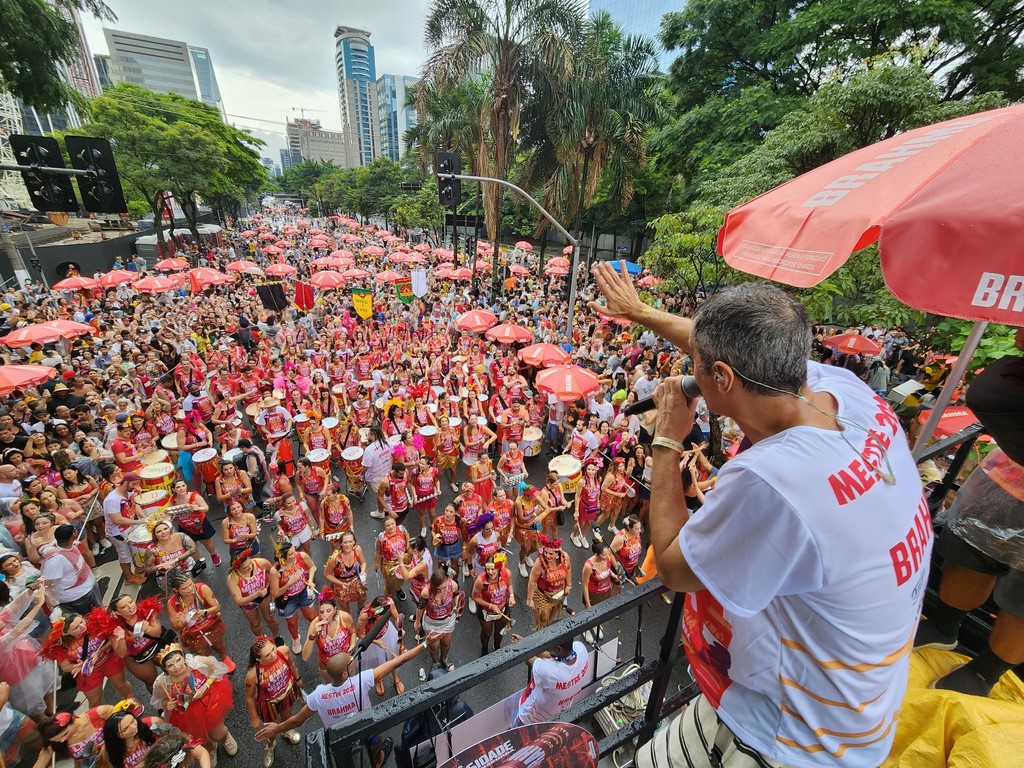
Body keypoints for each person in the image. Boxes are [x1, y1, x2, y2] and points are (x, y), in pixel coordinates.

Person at [591, 265, 926, 767]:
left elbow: (676, 568)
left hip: (795, 734)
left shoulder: (774, 480)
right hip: (864, 706)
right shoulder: (845, 390)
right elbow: (724, 354)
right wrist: (641, 313)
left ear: (722, 378)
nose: (692, 367)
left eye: (698, 365)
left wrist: (666, 439)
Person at [913, 328, 1024, 696]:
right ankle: (944, 625)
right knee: (970, 554)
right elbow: (996, 385)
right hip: (1007, 481)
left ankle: (985, 673)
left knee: (1021, 603)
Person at [254, 640, 437, 768]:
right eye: (349, 662)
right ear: (343, 674)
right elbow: (400, 660)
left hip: (339, 738)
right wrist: (424, 644)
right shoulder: (362, 680)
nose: (352, 661)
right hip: (368, 729)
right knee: (376, 742)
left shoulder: (318, 695)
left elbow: (297, 721)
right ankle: (378, 761)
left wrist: (277, 728)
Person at [150, 644, 236, 762]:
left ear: (183, 656)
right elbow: (159, 699)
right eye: (170, 665)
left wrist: (205, 686)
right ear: (165, 668)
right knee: (200, 738)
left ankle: (224, 738)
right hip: (186, 713)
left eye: (178, 660)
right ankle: (210, 749)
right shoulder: (162, 682)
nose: (176, 666)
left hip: (208, 703)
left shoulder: (196, 663)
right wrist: (166, 704)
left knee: (218, 734)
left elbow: (216, 669)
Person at [244, 635, 305, 768]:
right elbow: (249, 697)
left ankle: (285, 731)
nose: (273, 654)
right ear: (258, 659)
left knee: (287, 717)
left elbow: (291, 663)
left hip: (287, 693)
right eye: (267, 654)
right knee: (270, 730)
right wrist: (254, 717)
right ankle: (270, 745)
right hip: (269, 703)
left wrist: (298, 678)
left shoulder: (283, 651)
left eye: (273, 649)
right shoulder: (253, 675)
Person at [510, 636, 589, 727]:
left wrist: (521, 646)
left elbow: (527, 657)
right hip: (555, 718)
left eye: (550, 645)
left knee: (516, 736)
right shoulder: (581, 649)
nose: (547, 647)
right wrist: (526, 644)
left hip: (529, 719)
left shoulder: (548, 672)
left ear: (559, 648)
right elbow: (551, 656)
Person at [166, 570, 230, 663]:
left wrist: (203, 612)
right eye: (185, 588)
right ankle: (213, 667)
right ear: (176, 591)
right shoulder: (172, 603)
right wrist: (184, 621)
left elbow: (217, 607)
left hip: (210, 623)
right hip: (193, 632)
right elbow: (175, 627)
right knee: (203, 653)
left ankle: (224, 658)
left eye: (190, 584)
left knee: (219, 644)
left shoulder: (202, 588)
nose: (190, 589)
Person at [269, 541, 318, 654]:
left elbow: (311, 567)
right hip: (288, 600)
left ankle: (317, 632)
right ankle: (296, 638)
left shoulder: (301, 556)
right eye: (291, 554)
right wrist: (289, 584)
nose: (295, 554)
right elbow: (275, 593)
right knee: (292, 623)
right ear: (282, 557)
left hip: (304, 593)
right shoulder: (275, 571)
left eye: (294, 551)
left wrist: (310, 580)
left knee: (311, 616)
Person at [301, 588, 358, 682]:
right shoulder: (315, 624)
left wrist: (352, 645)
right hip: (328, 667)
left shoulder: (344, 617)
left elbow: (353, 632)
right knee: (334, 688)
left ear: (335, 609)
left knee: (350, 683)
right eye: (322, 612)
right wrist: (313, 635)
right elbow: (305, 657)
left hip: (346, 661)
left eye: (328, 611)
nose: (325, 615)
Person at [226, 547, 280, 638]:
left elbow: (273, 573)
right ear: (237, 569)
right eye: (245, 567)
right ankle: (262, 638)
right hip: (248, 601)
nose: (250, 567)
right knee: (255, 623)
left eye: (250, 563)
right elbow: (239, 601)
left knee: (270, 618)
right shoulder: (232, 578)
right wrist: (257, 594)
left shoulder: (261, 563)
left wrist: (273, 590)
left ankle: (277, 636)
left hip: (265, 595)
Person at [471, 552, 515, 656]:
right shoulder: (480, 580)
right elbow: (475, 597)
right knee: (487, 633)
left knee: (499, 632)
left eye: (493, 569)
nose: (490, 572)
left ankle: (497, 647)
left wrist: (512, 595)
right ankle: (484, 649)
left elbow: (509, 585)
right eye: (487, 569)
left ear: (499, 568)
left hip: (503, 609)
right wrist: (490, 606)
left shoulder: (507, 573)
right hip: (486, 612)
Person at [526, 535, 572, 631]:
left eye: (551, 554)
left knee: (552, 613)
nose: (547, 555)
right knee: (543, 618)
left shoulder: (565, 557)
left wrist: (568, 585)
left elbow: (568, 570)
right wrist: (529, 600)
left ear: (557, 553)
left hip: (558, 594)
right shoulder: (540, 564)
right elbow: (532, 581)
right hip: (543, 596)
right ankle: (542, 631)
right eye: (545, 552)